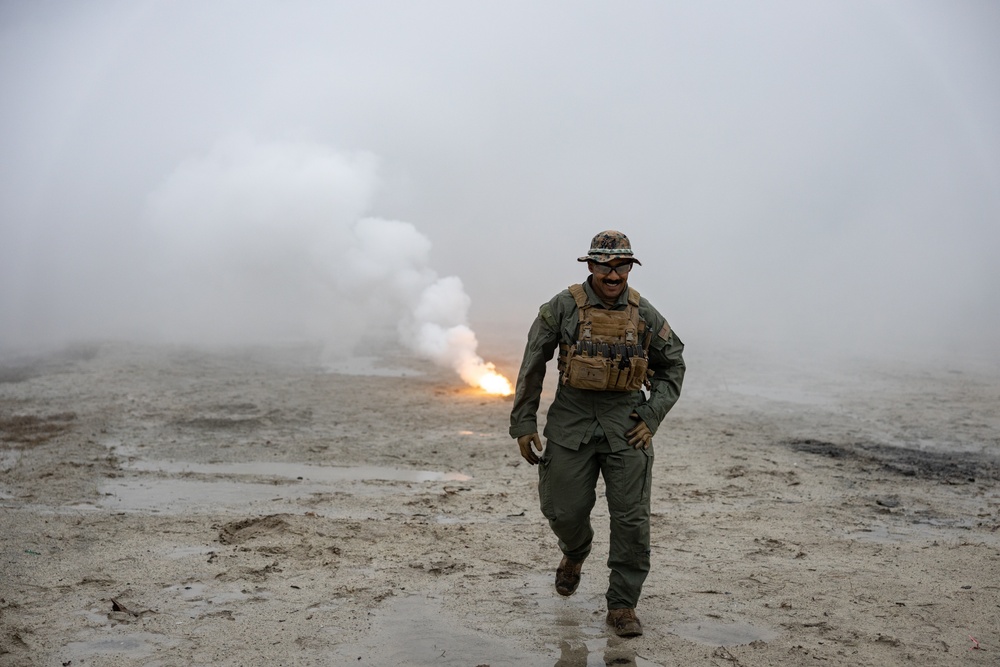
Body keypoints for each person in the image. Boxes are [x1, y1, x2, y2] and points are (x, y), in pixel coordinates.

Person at [509, 230, 685, 638]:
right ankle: (574, 552)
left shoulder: (645, 314)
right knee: (563, 511)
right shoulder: (562, 307)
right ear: (590, 265)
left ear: (629, 268)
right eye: (605, 265)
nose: (613, 274)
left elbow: (673, 364)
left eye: (622, 265)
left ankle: (622, 605)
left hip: (627, 427)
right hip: (571, 423)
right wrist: (523, 422)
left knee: (631, 521)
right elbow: (532, 363)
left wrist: (651, 414)